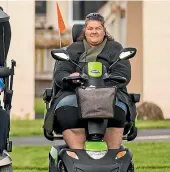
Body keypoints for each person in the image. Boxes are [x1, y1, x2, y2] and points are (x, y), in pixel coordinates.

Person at [44, 13, 135, 150]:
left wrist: (105, 83)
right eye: (90, 28)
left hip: (109, 93)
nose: (94, 32)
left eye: (97, 28)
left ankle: (113, 153)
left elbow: (123, 73)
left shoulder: (115, 49)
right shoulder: (73, 49)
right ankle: (76, 152)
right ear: (84, 30)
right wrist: (72, 77)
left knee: (119, 110)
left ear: (104, 30)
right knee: (66, 111)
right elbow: (60, 74)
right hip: (74, 94)